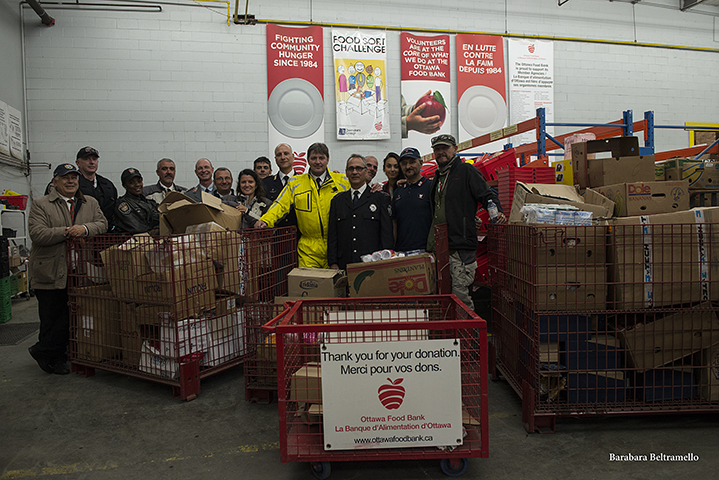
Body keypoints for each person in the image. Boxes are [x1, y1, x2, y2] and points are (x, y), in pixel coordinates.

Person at [28, 163, 108, 375]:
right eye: (65, 178)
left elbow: (102, 223)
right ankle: (50, 359)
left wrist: (84, 228)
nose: (71, 181)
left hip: (79, 271)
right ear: (55, 181)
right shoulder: (41, 204)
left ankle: (46, 351)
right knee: (50, 317)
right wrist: (67, 232)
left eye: (74, 177)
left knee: (71, 314)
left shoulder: (89, 202)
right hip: (50, 271)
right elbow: (38, 234)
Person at [427, 134, 506, 310]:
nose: (441, 152)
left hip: (461, 246)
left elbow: (487, 195)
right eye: (437, 149)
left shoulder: (466, 171)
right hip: (442, 246)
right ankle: (452, 333)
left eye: (445, 148)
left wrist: (497, 211)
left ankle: (467, 335)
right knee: (446, 293)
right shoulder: (438, 176)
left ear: (455, 149)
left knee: (460, 295)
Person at [256, 142, 351, 268]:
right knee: (310, 285)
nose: (318, 162)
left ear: (327, 159)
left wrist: (375, 188)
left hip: (336, 247)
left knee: (336, 286)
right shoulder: (295, 184)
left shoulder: (342, 182)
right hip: (308, 249)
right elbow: (280, 205)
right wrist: (266, 220)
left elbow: (359, 192)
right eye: (313, 158)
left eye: (321, 158)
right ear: (307, 160)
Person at [328, 155, 393, 270]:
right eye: (351, 169)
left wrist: (386, 262)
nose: (354, 172)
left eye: (359, 168)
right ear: (346, 173)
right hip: (345, 263)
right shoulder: (337, 201)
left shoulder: (380, 198)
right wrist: (333, 262)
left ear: (365, 171)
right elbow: (333, 236)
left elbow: (386, 236)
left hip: (372, 264)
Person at [393, 147, 433, 253]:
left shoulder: (431, 187)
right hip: (401, 252)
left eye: (412, 162)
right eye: (404, 163)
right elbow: (394, 222)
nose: (408, 166)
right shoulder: (398, 192)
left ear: (420, 163)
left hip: (425, 250)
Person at [75, 146, 118, 226]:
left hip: (106, 232)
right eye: (86, 159)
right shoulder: (71, 184)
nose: (92, 162)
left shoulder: (107, 184)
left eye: (94, 159)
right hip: (81, 232)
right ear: (78, 163)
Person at [112, 168, 160, 235]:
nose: (137, 184)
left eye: (139, 181)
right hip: (131, 242)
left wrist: (158, 228)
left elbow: (161, 219)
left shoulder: (149, 202)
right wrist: (153, 231)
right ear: (125, 185)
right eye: (131, 183)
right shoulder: (122, 204)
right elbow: (136, 227)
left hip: (149, 241)